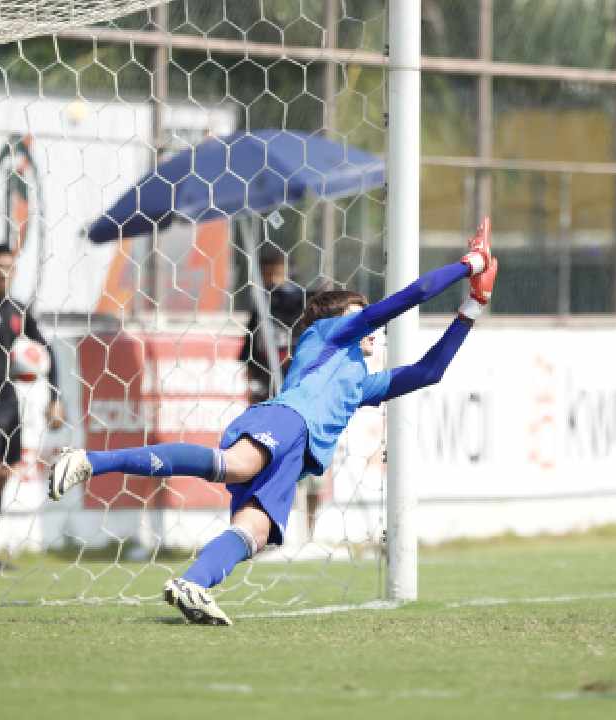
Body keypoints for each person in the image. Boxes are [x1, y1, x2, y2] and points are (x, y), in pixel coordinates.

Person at [47, 219, 499, 625]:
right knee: (236, 465)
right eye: (360, 316)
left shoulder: (361, 383)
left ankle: (193, 583)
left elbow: (427, 372)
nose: (372, 327)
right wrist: (470, 263)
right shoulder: (327, 334)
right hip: (286, 420)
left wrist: (474, 306)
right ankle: (89, 461)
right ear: (342, 318)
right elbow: (411, 297)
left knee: (256, 531)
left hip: (296, 458)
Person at [0, 244, 66, 570]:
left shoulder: (17, 310)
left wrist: (55, 397)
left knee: (3, 474)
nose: (4, 273)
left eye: (10, 267)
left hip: (9, 401)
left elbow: (47, 350)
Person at [240, 244, 305, 406]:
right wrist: (250, 376)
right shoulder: (262, 306)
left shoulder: (300, 303)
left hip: (293, 375)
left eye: (276, 274)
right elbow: (251, 342)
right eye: (267, 274)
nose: (272, 280)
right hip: (265, 375)